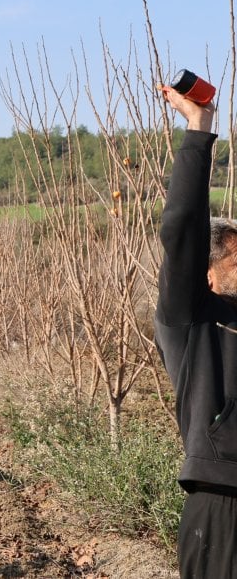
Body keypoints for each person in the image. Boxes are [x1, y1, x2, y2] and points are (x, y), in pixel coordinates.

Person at [156, 82, 237, 577]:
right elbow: (183, 228)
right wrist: (199, 129)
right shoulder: (191, 319)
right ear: (208, 273)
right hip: (222, 500)